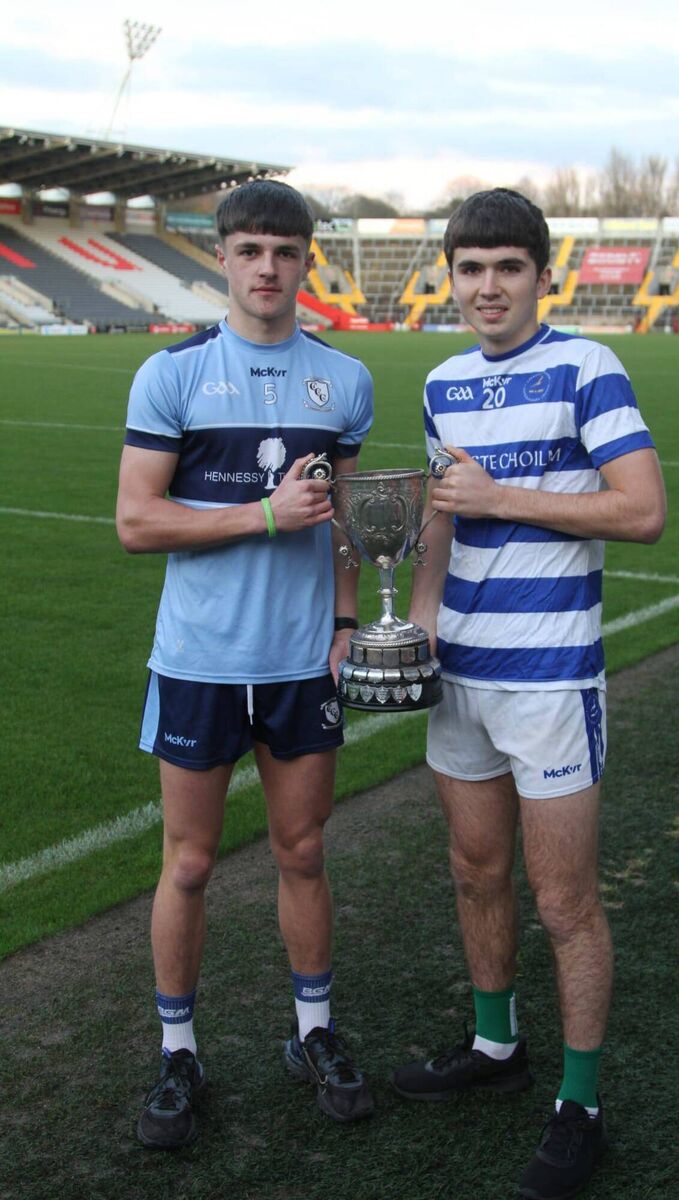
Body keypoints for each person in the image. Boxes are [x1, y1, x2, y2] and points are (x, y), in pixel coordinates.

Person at [391, 189, 666, 1199]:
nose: (487, 287)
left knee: (563, 899)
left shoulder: (586, 367)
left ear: (539, 275)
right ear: (450, 277)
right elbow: (436, 523)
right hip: (460, 676)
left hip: (549, 677)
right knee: (473, 873)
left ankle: (579, 1103)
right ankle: (493, 1043)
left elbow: (641, 510)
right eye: (469, 268)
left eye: (507, 267)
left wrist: (501, 495)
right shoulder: (442, 382)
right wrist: (417, 624)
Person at [116, 179, 375, 1149]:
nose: (268, 268)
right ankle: (177, 1051)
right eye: (250, 250)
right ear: (220, 258)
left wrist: (348, 619)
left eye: (285, 251)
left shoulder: (342, 380)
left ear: (306, 262)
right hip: (199, 662)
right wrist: (261, 514)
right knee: (187, 862)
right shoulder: (171, 376)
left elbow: (350, 520)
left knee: (302, 851)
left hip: (303, 661)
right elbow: (137, 520)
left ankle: (312, 1032)